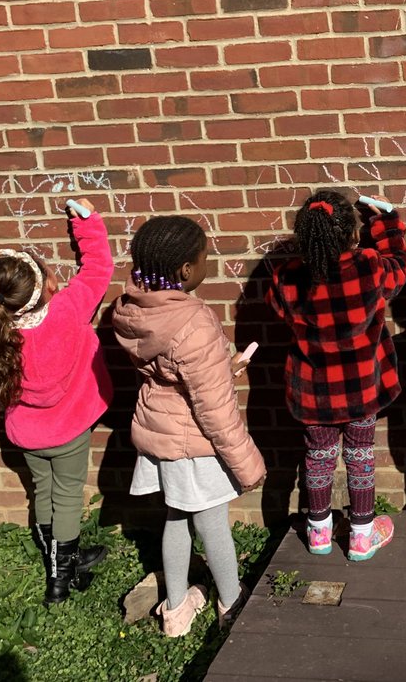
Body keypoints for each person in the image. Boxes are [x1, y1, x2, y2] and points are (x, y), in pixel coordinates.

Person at [112, 216, 265, 636]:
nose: (206, 264)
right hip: (194, 443)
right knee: (212, 522)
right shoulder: (193, 321)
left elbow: (172, 373)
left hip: (159, 433)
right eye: (204, 259)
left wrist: (221, 368)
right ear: (185, 271)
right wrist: (247, 463)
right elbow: (213, 409)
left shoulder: (132, 309)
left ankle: (176, 610)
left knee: (176, 518)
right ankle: (232, 603)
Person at [0, 197, 113, 604]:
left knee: (43, 491)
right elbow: (99, 269)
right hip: (69, 429)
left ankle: (61, 557)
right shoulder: (69, 310)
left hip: (27, 434)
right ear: (48, 285)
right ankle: (61, 575)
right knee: (69, 496)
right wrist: (88, 223)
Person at [267, 190, 406, 562]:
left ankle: (318, 532)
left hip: (313, 393)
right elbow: (400, 264)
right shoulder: (370, 266)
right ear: (352, 235)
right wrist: (386, 221)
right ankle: (361, 535)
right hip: (362, 388)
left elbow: (277, 308)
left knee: (318, 457)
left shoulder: (287, 278)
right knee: (360, 454)